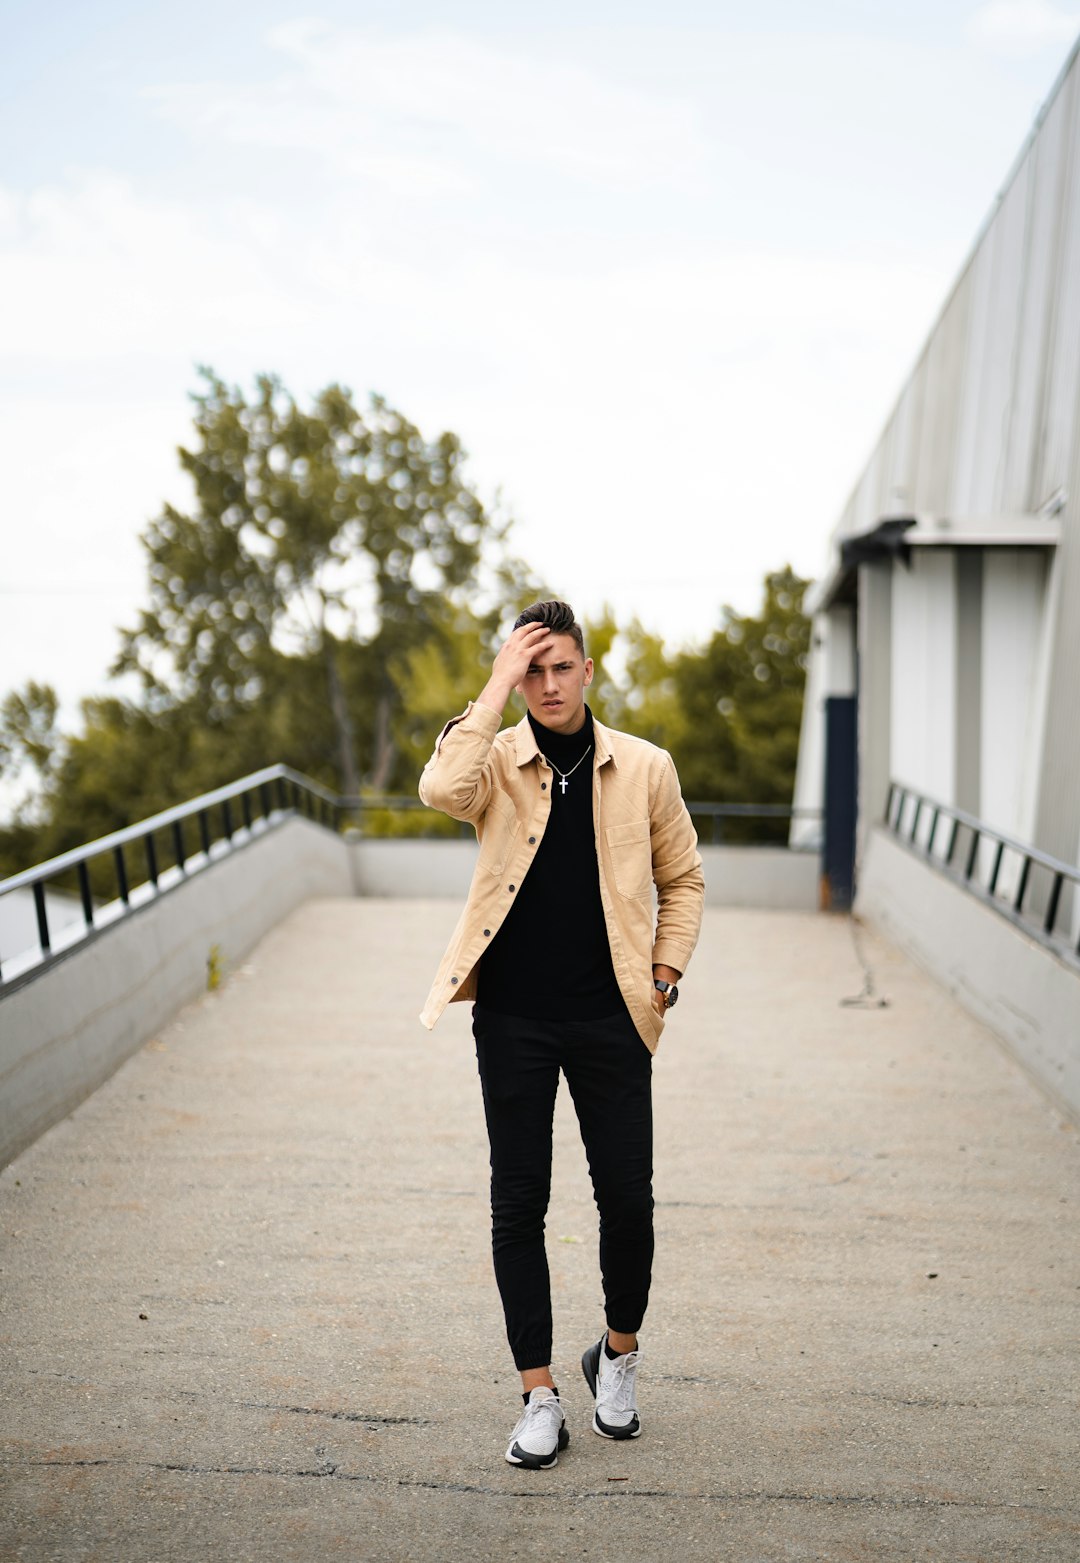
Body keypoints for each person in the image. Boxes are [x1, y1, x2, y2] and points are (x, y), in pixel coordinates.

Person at [418, 599, 704, 1469]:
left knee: (627, 1197)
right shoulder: (495, 759)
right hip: (512, 1019)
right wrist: (494, 684)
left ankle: (616, 1357)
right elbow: (439, 791)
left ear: (588, 672)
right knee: (520, 1203)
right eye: (531, 670)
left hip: (613, 1014)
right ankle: (538, 1393)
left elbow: (683, 879)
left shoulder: (647, 767)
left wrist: (663, 974)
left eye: (559, 667)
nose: (547, 684)